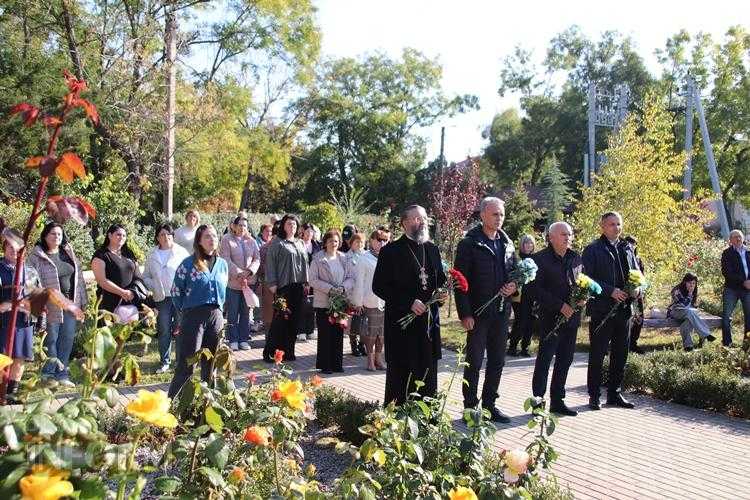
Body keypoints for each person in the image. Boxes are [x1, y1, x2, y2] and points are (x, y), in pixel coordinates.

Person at [373, 205, 446, 405]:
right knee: (401, 374)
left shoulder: (432, 249)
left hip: (428, 324)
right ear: (404, 222)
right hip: (401, 325)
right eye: (416, 218)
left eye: (423, 218)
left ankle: (427, 420)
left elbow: (440, 280)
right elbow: (379, 286)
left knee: (427, 373)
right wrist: (408, 302)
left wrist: (441, 294)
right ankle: (397, 418)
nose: (421, 222)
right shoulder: (391, 251)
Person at [453, 197, 517, 422]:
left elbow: (516, 272)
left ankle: (490, 405)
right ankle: (470, 408)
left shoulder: (507, 243)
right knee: (475, 362)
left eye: (501, 214)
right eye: (494, 214)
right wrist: (465, 313)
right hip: (478, 313)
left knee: (498, 360)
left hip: (501, 312)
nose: (499, 218)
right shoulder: (469, 243)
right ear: (482, 215)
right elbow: (459, 281)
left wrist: (514, 286)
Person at [582, 211, 640, 410]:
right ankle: (594, 396)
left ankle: (614, 394)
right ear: (603, 226)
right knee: (598, 354)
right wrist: (610, 291)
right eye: (612, 224)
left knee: (620, 354)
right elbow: (586, 279)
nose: (616, 228)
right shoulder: (592, 250)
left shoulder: (627, 248)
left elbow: (636, 273)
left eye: (619, 224)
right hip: (602, 310)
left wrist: (638, 288)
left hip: (624, 310)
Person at [168, 224, 228, 398]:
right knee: (188, 364)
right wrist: (184, 313)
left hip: (215, 316)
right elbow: (176, 291)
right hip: (193, 317)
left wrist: (220, 313)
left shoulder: (222, 264)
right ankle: (173, 404)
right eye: (207, 237)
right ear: (199, 241)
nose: (212, 240)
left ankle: (208, 406)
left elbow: (224, 292)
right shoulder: (188, 264)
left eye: (215, 236)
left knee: (211, 364)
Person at [530, 222, 582, 416]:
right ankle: (538, 402)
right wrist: (560, 306)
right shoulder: (540, 259)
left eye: (569, 234)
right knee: (544, 360)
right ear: (551, 237)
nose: (568, 237)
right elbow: (535, 290)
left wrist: (582, 298)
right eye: (563, 234)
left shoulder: (575, 257)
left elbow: (581, 282)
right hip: (550, 318)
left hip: (572, 318)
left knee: (565, 360)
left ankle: (558, 400)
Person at [28, 223, 87, 385]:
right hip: (50, 305)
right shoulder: (36, 256)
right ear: (45, 236)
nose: (57, 237)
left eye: (59, 234)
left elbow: (79, 279)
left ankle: (62, 374)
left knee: (67, 339)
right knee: (51, 339)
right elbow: (30, 282)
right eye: (53, 234)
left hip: (70, 304)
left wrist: (82, 303)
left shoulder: (68, 253)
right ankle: (49, 372)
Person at [142, 223, 189, 373]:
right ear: (157, 237)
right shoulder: (152, 254)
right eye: (162, 234)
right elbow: (146, 276)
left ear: (173, 236)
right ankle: (164, 361)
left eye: (168, 234)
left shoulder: (182, 252)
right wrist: (154, 286)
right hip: (161, 298)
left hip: (179, 297)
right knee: (164, 330)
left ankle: (180, 361)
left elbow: (189, 273)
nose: (166, 237)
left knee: (180, 329)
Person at [263, 214, 309, 363]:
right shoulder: (277, 243)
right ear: (283, 225)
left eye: (294, 224)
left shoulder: (300, 243)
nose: (292, 227)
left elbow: (305, 264)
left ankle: (288, 351)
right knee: (280, 321)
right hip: (283, 286)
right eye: (289, 224)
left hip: (298, 286)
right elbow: (270, 263)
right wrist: (273, 284)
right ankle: (271, 353)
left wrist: (306, 283)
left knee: (294, 321)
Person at [0, 231, 37, 403]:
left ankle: (12, 394)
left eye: (18, 248)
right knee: (3, 356)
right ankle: (1, 392)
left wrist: (39, 315)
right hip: (3, 320)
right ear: (4, 248)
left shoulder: (29, 271)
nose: (14, 250)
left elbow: (38, 295)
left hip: (24, 320)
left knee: (19, 356)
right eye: (10, 247)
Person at [310, 229, 354, 373]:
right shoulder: (318, 258)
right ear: (325, 243)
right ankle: (325, 364)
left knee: (338, 333)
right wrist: (329, 289)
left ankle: (337, 363)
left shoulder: (344, 258)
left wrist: (342, 288)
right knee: (325, 334)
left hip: (340, 302)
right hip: (324, 302)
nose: (333, 244)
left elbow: (351, 278)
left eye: (336, 241)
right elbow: (313, 280)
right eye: (330, 241)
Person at [351, 229, 389, 371]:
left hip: (385, 301)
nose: (382, 243)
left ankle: (379, 359)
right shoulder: (364, 258)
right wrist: (358, 302)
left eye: (385, 240)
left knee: (382, 334)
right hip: (369, 300)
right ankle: (370, 361)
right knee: (371, 333)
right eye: (379, 239)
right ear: (372, 240)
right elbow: (359, 281)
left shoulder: (388, 257)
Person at [220, 216, 260, 351]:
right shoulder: (226, 239)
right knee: (232, 312)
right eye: (240, 225)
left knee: (245, 312)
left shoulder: (252, 241)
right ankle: (233, 339)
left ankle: (243, 338)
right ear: (234, 226)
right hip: (233, 283)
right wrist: (238, 273)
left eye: (245, 226)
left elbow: (257, 259)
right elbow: (225, 258)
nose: (243, 228)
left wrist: (249, 271)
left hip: (248, 282)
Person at [91, 224, 141, 321]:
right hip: (109, 302)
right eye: (118, 234)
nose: (121, 237)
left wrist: (132, 292)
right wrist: (122, 292)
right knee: (110, 334)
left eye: (124, 235)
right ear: (109, 235)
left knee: (130, 334)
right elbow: (102, 281)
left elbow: (138, 275)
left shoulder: (129, 253)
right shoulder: (101, 255)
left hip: (131, 301)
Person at [667, 272, 717, 351]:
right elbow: (682, 305)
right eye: (690, 283)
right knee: (689, 312)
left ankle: (688, 346)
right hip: (675, 312)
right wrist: (690, 294)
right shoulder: (676, 290)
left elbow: (692, 305)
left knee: (687, 323)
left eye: (694, 283)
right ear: (684, 282)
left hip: (687, 313)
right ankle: (706, 334)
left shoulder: (694, 289)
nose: (692, 285)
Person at [720, 229, 750, 347]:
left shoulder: (748, 251)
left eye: (739, 237)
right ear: (731, 240)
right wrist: (743, 281)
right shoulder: (726, 254)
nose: (738, 239)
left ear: (743, 238)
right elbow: (727, 272)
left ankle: (747, 343)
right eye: (735, 237)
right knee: (726, 316)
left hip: (748, 289)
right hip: (731, 289)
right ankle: (727, 344)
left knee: (749, 316)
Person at [508, 234, 536, 357]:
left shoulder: (537, 258)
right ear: (522, 244)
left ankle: (525, 347)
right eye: (526, 243)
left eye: (531, 243)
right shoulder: (516, 257)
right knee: (520, 321)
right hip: (518, 295)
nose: (529, 245)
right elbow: (511, 274)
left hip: (532, 295)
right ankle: (513, 346)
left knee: (530, 321)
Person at [345, 232, 367, 357]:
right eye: (357, 242)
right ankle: (353, 343)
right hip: (353, 293)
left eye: (362, 242)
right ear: (351, 243)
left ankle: (362, 344)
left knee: (365, 320)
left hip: (365, 293)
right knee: (355, 320)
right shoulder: (346, 257)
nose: (360, 244)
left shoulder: (367, 256)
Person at [299, 223, 322, 342]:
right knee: (302, 305)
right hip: (302, 279)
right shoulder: (298, 244)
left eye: (311, 232)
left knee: (313, 305)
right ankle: (301, 330)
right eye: (307, 231)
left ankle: (311, 330)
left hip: (314, 279)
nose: (309, 234)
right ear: (302, 233)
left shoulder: (317, 246)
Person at [624, 235, 646, 354]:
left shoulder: (638, 259)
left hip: (637, 294)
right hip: (624, 294)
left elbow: (642, 277)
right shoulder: (622, 257)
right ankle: (622, 344)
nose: (631, 246)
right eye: (629, 244)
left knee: (639, 319)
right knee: (626, 320)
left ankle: (633, 343)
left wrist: (640, 290)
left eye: (633, 244)